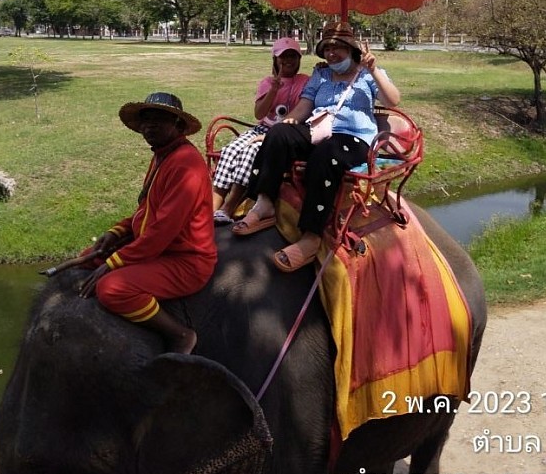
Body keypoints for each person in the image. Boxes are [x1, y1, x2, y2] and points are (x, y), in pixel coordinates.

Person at [232, 21, 401, 272]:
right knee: (278, 134)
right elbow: (304, 106)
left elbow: (393, 100)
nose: (332, 53)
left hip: (354, 137)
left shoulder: (367, 73)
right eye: (327, 48)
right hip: (318, 130)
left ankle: (311, 236)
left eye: (338, 48)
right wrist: (289, 124)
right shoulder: (321, 74)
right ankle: (265, 203)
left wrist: (374, 70)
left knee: (325, 155)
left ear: (352, 49)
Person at [79, 91, 217, 354]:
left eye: (159, 119)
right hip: (158, 248)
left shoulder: (185, 164)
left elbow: (161, 231)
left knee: (112, 288)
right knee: (89, 257)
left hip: (185, 259)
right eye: (146, 119)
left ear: (178, 125)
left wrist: (115, 263)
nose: (149, 126)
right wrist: (117, 231)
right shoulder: (162, 155)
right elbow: (147, 210)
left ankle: (180, 335)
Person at [212, 37, 309, 225]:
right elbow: (259, 114)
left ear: (299, 59)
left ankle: (228, 207)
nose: (288, 61)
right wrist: (273, 90)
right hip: (262, 127)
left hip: (284, 136)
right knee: (230, 150)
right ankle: (211, 208)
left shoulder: (305, 81)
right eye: (283, 57)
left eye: (293, 56)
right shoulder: (267, 82)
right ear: (275, 59)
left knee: (250, 152)